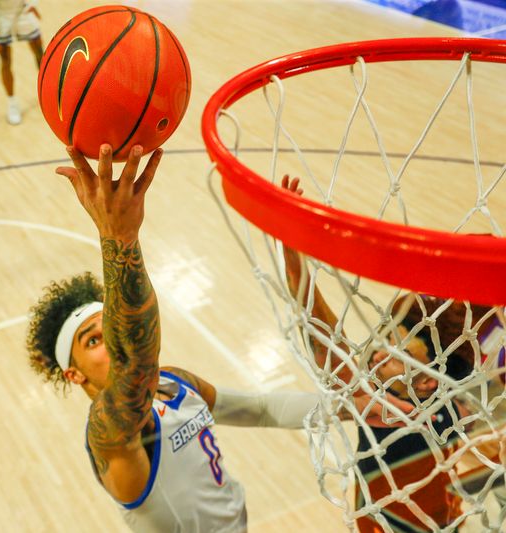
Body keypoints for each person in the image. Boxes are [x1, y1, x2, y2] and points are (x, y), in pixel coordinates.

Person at [25, 145, 409, 531]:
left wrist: (346, 406)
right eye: (93, 340)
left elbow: (260, 409)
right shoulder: (108, 430)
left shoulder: (175, 382)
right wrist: (119, 235)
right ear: (74, 374)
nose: (109, 338)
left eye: (107, 326)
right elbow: (135, 362)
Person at [279, 175, 503, 532]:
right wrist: (295, 262)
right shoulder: (389, 385)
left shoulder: (474, 371)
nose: (385, 356)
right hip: (390, 518)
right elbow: (329, 345)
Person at [0, 0, 43, 125]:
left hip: (23, 8)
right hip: (1, 15)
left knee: (40, 52)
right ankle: (12, 103)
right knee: (5, 60)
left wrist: (33, 4)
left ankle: (49, 94)